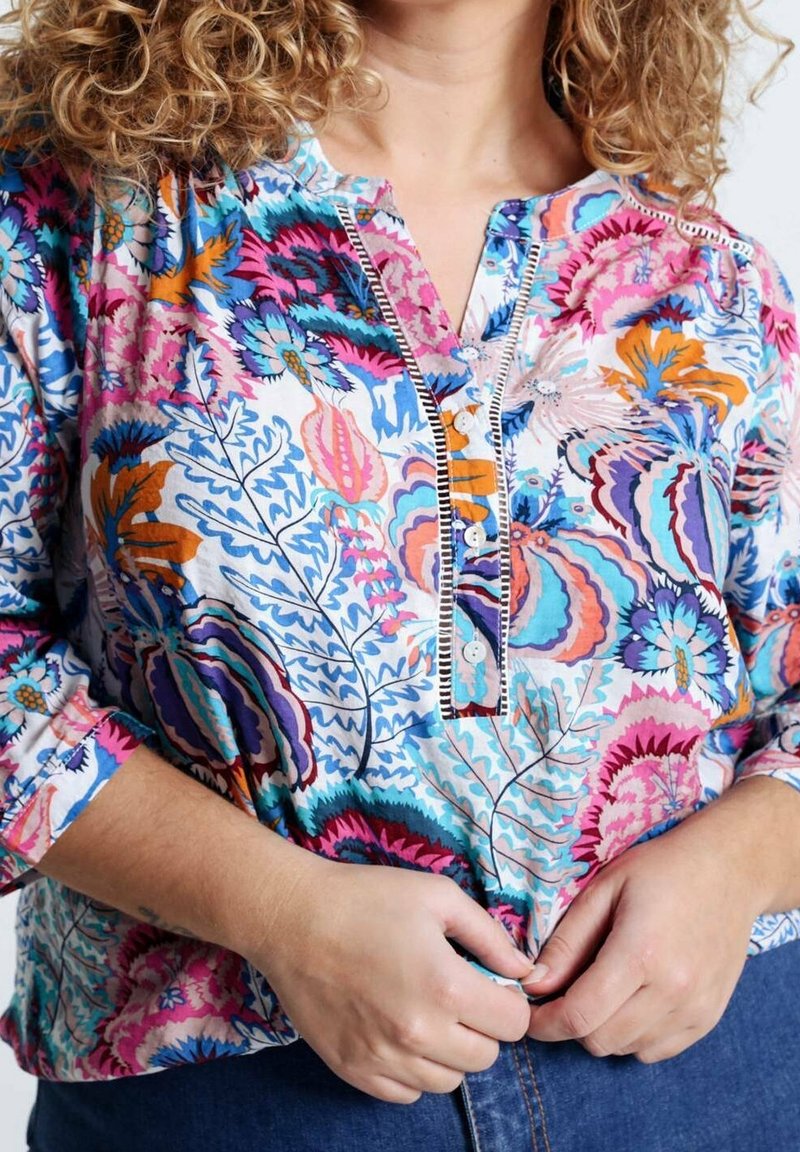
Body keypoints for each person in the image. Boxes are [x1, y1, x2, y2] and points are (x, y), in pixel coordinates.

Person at [0, 0, 798, 1147]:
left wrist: (737, 866)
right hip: (239, 1102)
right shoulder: (74, 208)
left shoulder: (707, 278)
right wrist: (279, 913)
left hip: (710, 1077)